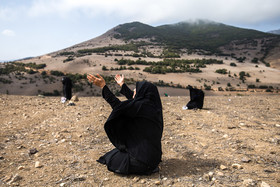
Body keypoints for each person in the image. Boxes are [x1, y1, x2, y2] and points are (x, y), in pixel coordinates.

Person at [87, 74, 163, 175]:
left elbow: (119, 106)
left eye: (136, 89)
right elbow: (134, 100)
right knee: (112, 153)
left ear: (142, 93)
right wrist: (122, 85)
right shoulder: (153, 106)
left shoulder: (140, 107)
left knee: (111, 159)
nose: (134, 91)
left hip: (142, 161)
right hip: (155, 159)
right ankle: (150, 166)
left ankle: (145, 168)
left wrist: (103, 87)